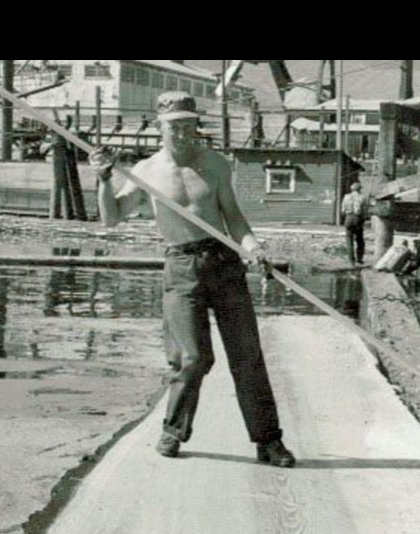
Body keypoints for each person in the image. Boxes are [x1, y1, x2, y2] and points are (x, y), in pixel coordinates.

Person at [90, 91, 295, 468]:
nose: (182, 133)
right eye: (174, 127)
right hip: (181, 266)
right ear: (159, 127)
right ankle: (173, 431)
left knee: (247, 357)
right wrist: (103, 180)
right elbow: (112, 218)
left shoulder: (216, 164)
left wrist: (253, 246)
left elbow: (232, 217)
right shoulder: (147, 172)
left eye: (188, 125)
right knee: (192, 357)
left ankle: (269, 442)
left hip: (225, 263)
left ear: (195, 125)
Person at [341, 181, 369, 265]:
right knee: (360, 240)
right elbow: (364, 212)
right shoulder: (362, 197)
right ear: (359, 189)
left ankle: (351, 260)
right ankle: (359, 259)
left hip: (348, 217)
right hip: (358, 218)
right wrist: (364, 219)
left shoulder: (346, 197)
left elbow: (342, 211)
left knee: (349, 240)